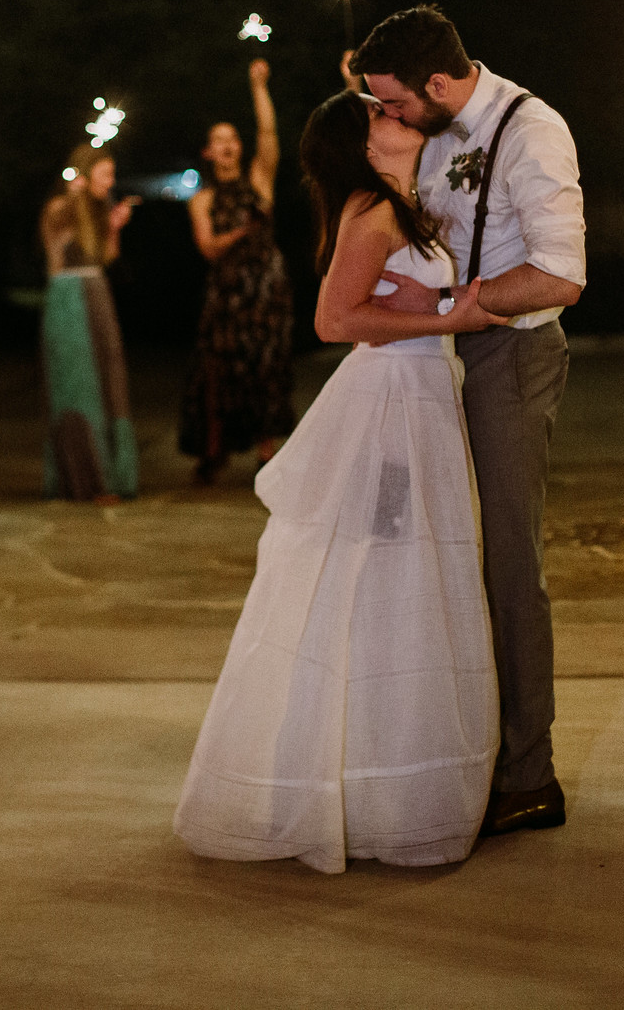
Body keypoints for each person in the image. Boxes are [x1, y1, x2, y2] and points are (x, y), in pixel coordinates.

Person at [174, 92, 504, 872]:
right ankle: (361, 786)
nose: (399, 117)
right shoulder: (375, 214)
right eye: (381, 114)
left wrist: (442, 307)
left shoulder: (395, 205)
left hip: (418, 401)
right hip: (389, 413)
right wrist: (447, 320)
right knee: (382, 569)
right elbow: (332, 320)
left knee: (401, 573)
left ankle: (381, 778)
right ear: (360, 144)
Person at [352, 5, 585, 837]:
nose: (390, 116)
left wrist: (449, 303)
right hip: (434, 364)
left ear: (440, 84)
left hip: (510, 360)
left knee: (508, 565)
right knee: (436, 557)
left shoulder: (533, 130)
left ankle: (530, 774)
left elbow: (560, 276)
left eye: (396, 101)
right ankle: (457, 749)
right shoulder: (436, 127)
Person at [179, 59, 296, 483]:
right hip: (227, 291)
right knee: (219, 369)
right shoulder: (202, 200)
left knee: (267, 365)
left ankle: (267, 452)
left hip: (267, 287)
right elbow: (209, 248)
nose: (227, 146)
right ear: (209, 152)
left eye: (232, 139)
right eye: (218, 140)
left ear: (239, 148)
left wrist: (258, 85)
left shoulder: (259, 181)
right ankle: (214, 452)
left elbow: (269, 135)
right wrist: (242, 231)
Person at [40, 146, 139, 502]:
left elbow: (107, 258)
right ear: (87, 173)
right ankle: (86, 480)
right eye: (105, 174)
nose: (110, 182)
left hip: (97, 293)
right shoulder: (60, 208)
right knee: (79, 384)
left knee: (107, 380)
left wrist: (114, 228)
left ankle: (112, 474)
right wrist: (76, 192)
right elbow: (55, 236)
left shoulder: (95, 213)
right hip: (68, 299)